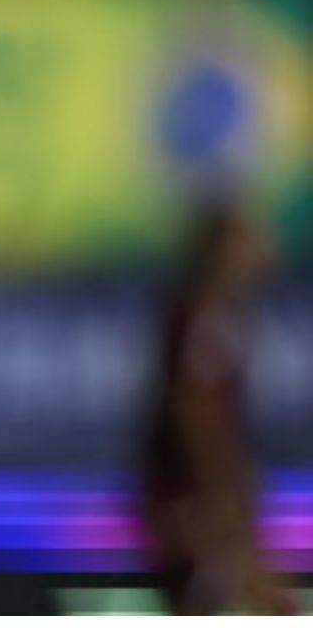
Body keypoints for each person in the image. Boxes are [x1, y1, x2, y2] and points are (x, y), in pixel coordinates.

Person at [139, 203, 296, 615]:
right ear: (224, 251)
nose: (265, 247)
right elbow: (198, 416)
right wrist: (223, 507)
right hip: (193, 506)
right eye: (250, 238)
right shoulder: (206, 315)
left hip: (198, 505)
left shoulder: (218, 313)